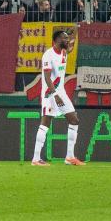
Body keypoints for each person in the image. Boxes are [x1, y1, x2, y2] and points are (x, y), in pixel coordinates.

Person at [31, 28, 84, 166]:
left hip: (61, 92)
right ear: (55, 41)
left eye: (67, 38)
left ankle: (69, 157)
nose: (67, 40)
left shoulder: (64, 52)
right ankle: (36, 159)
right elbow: (47, 78)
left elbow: (70, 46)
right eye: (64, 38)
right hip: (50, 94)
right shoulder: (48, 55)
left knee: (74, 120)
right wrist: (55, 95)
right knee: (45, 123)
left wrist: (75, 31)